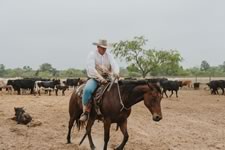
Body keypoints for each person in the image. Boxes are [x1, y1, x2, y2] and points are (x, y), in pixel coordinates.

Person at [79, 39, 120, 122]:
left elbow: (114, 64)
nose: (104, 49)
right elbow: (91, 69)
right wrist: (100, 79)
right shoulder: (92, 55)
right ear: (98, 47)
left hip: (108, 77)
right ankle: (86, 111)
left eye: (105, 48)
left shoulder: (109, 55)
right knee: (87, 90)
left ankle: (115, 110)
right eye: (102, 48)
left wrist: (116, 72)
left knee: (118, 88)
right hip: (95, 78)